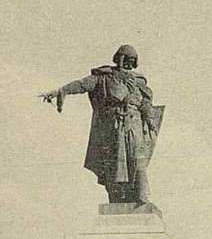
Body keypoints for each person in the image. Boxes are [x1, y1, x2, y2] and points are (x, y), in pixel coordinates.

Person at [38, 44, 160, 205]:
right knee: (114, 164)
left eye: (132, 60)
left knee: (138, 161)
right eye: (125, 59)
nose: (128, 63)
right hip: (113, 127)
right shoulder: (104, 77)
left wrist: (150, 119)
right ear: (118, 59)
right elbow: (81, 85)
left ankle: (142, 197)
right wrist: (61, 91)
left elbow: (145, 102)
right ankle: (116, 199)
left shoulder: (138, 81)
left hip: (134, 125)